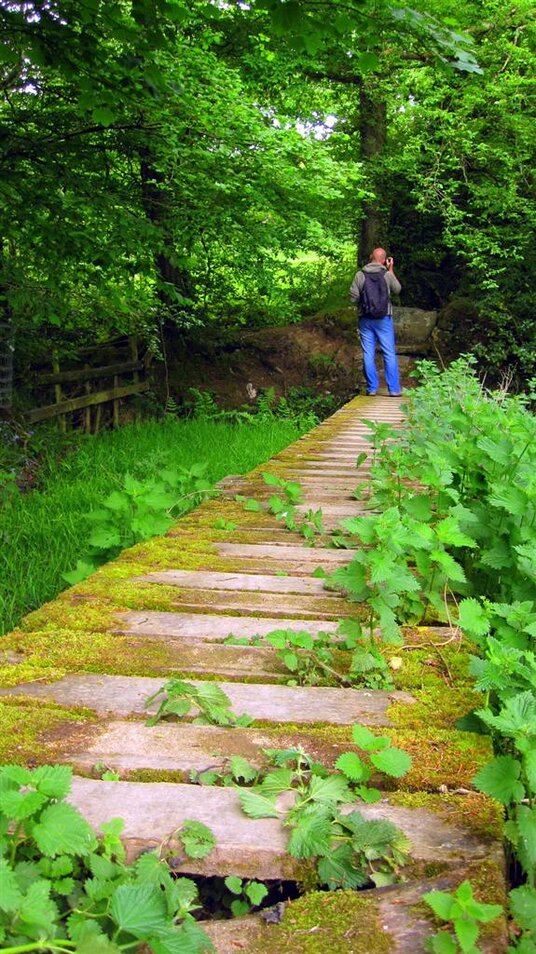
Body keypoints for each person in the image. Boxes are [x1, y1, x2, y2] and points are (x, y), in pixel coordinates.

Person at [350, 248, 402, 396]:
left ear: (370, 257)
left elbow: (353, 297)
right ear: (385, 260)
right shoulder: (386, 274)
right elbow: (397, 289)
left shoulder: (360, 274)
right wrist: (390, 270)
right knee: (389, 353)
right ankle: (393, 390)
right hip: (384, 318)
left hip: (365, 319)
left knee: (368, 353)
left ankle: (372, 388)